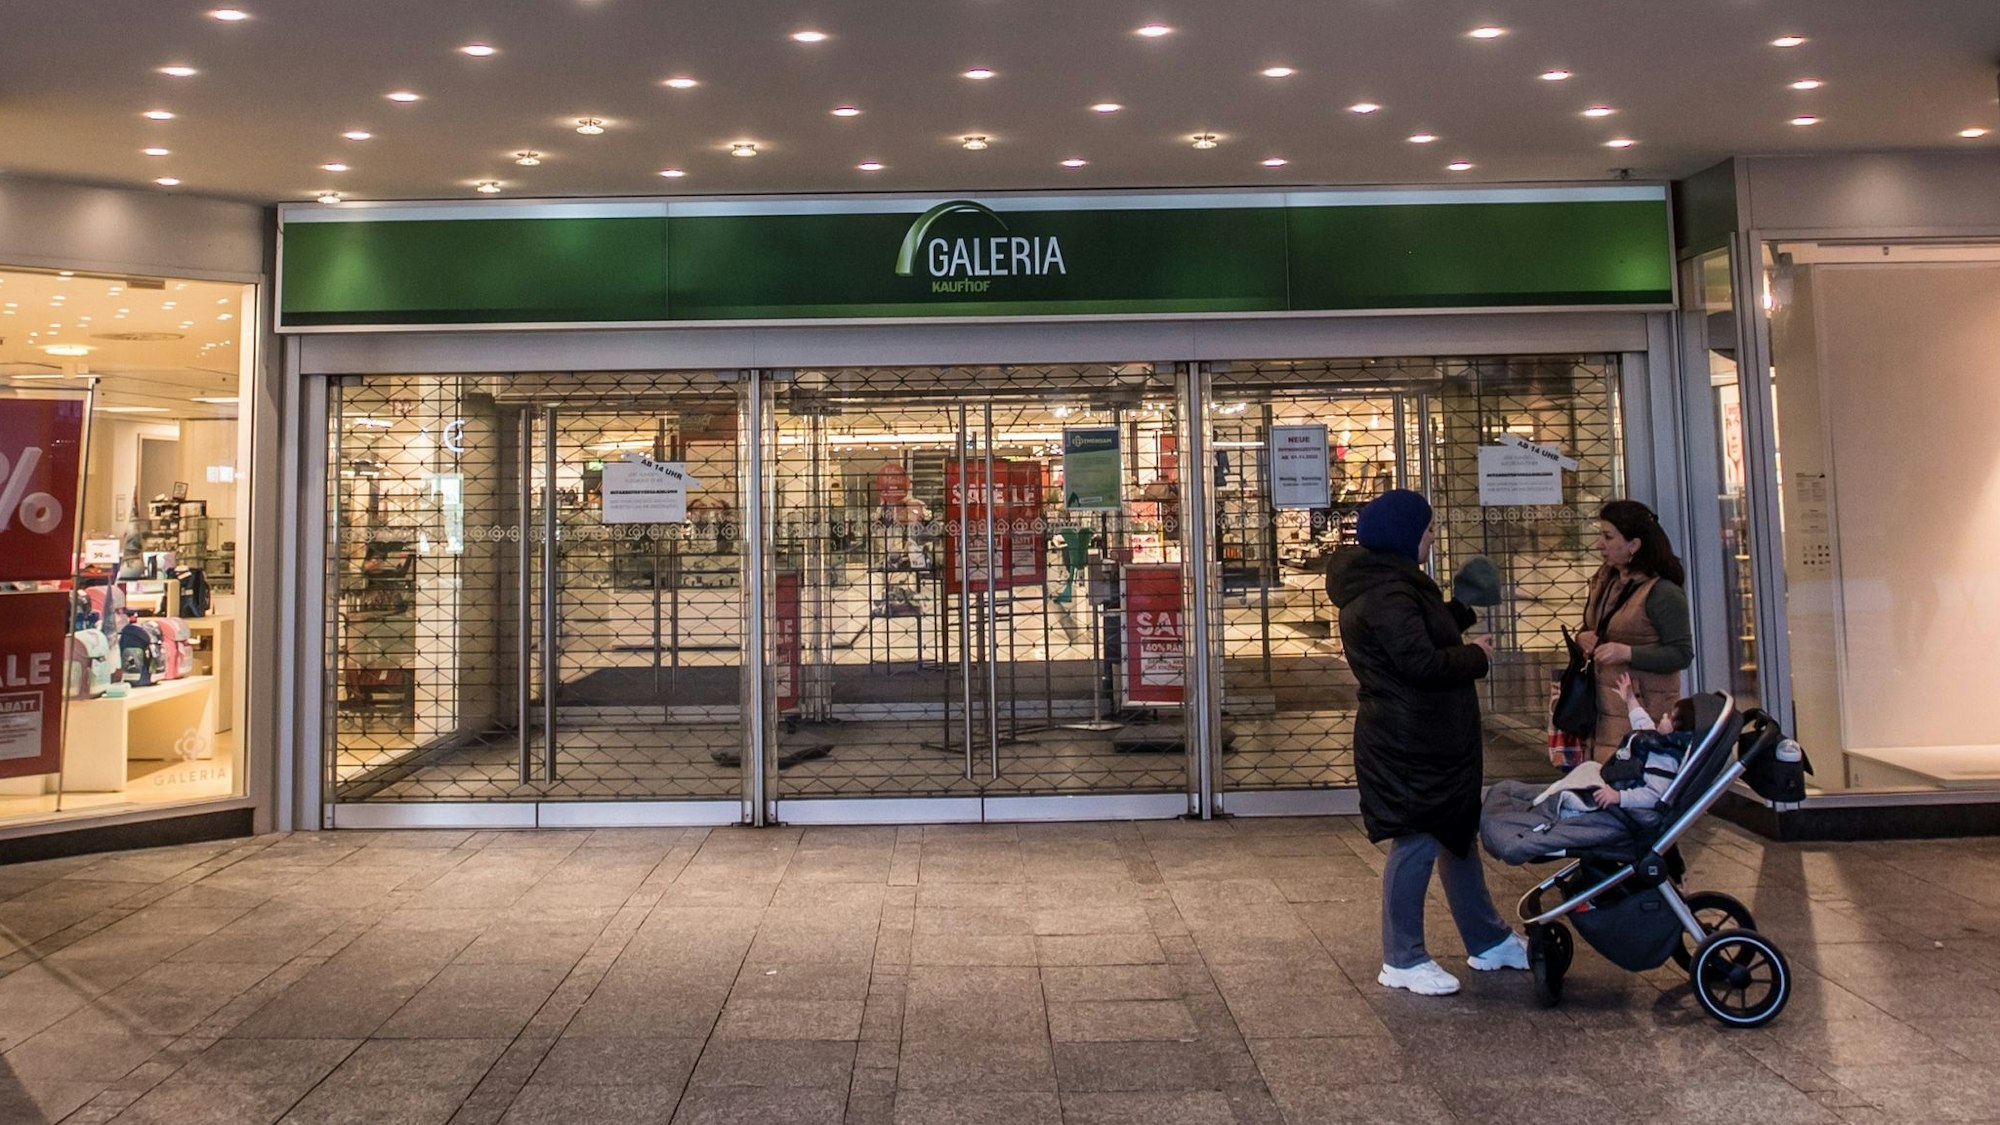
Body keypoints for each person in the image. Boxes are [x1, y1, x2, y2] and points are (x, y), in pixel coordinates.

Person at [1330, 489, 1527, 997]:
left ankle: (1488, 939)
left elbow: (1420, 634)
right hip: (1409, 740)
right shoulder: (1387, 593)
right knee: (1417, 838)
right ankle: (1403, 957)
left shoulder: (1392, 583)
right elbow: (1418, 662)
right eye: (1428, 529)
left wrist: (1459, 610)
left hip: (1431, 737)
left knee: (1455, 834)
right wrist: (1476, 657)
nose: (1433, 536)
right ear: (1404, 535)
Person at [1576, 500, 1693, 760]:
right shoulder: (1606, 580)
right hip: (1602, 712)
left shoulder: (1663, 593)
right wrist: (1582, 637)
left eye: (1608, 536)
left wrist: (1628, 653)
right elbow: (1592, 626)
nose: (1599, 544)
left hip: (1642, 714)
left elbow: (1681, 654)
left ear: (1634, 545)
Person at [1553, 674, 1695, 819]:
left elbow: (1653, 795)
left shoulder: (1666, 757)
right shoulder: (1660, 743)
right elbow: (1643, 724)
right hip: (1616, 780)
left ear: (1678, 728)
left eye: (1670, 717)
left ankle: (1564, 807)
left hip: (1625, 798)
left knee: (1580, 782)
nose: (1664, 716)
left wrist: (1619, 797)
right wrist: (1630, 699)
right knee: (1585, 771)